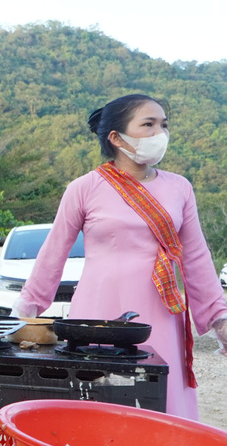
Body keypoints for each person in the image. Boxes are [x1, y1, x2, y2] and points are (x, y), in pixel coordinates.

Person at [14, 94, 227, 420]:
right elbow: (52, 255)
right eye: (148, 124)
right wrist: (21, 315)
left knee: (160, 402)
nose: (160, 133)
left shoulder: (180, 188)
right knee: (99, 402)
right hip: (97, 314)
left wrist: (220, 319)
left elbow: (196, 258)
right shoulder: (84, 188)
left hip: (160, 313)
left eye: (163, 125)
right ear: (115, 137)